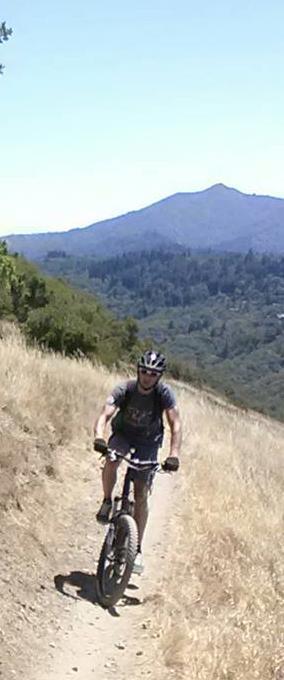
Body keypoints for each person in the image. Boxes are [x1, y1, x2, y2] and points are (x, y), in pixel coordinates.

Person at [93, 349, 182, 575]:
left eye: (153, 373)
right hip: (123, 435)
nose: (147, 376)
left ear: (159, 376)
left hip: (149, 442)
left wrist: (173, 454)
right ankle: (106, 501)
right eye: (144, 371)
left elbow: (176, 424)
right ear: (138, 370)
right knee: (112, 459)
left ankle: (137, 548)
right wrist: (99, 437)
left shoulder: (163, 394)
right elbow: (105, 414)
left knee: (141, 493)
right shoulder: (126, 389)